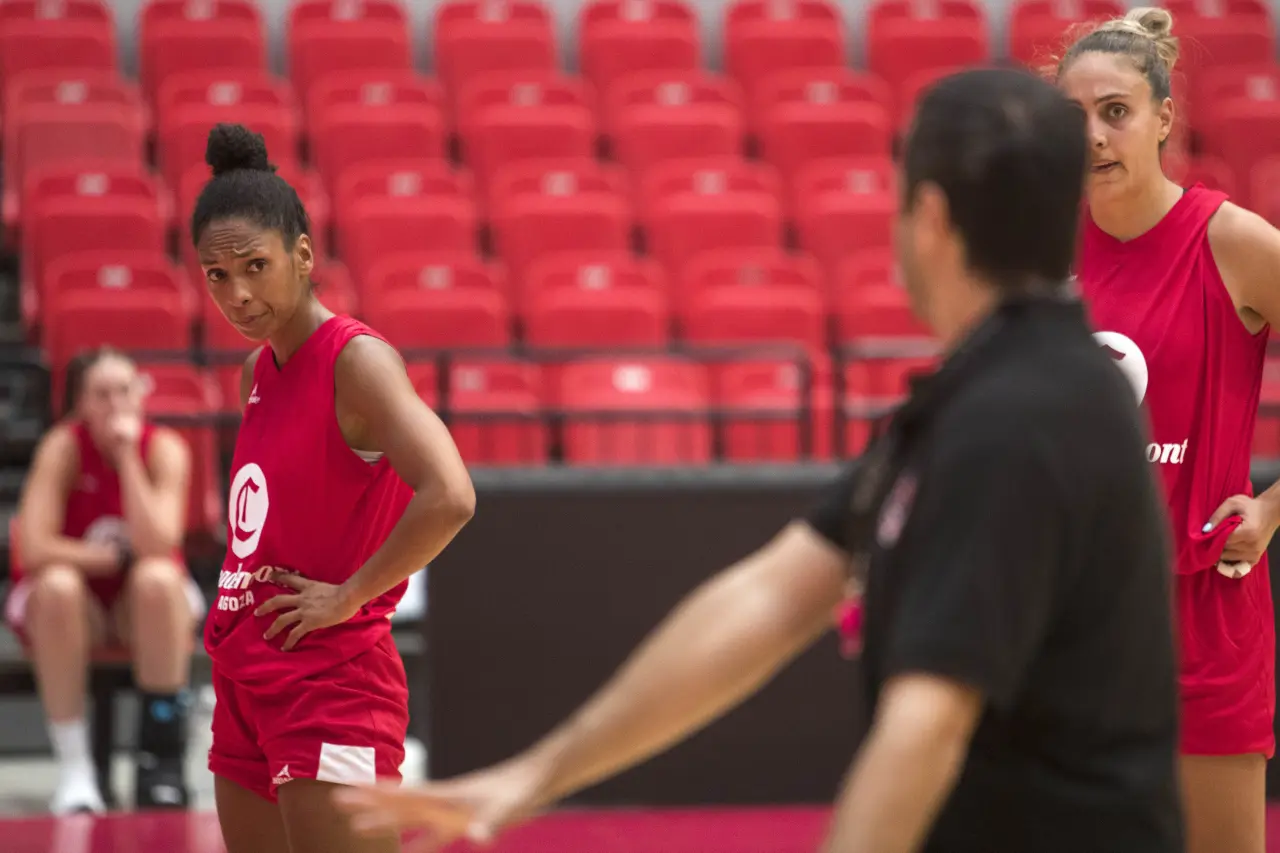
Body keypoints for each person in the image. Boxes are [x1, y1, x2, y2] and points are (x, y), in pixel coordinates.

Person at [334, 68, 1185, 853]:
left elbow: (928, 722)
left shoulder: (1021, 417)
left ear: (929, 217)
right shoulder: (980, 390)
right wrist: (534, 777)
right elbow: (774, 595)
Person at [193, 122, 475, 853]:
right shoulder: (256, 372)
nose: (237, 293)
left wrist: (350, 594)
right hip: (246, 675)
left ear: (303, 255)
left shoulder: (357, 361)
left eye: (255, 266)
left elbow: (451, 494)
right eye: (217, 275)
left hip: (331, 679)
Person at [1059, 10, 1280, 853]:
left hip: (1205, 610)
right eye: (1074, 116)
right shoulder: (1041, 255)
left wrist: (1272, 508)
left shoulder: (1233, 242)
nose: (1094, 135)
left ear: (1163, 118)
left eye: (1115, 111)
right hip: (1077, 609)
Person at [9, 347, 201, 814]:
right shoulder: (61, 448)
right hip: (78, 608)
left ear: (141, 396)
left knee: (158, 579)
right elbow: (34, 548)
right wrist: (109, 558)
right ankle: (75, 769)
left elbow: (159, 544)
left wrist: (128, 458)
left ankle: (161, 762)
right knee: (57, 586)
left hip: (143, 606)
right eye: (102, 394)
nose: (116, 404)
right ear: (80, 403)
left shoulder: (165, 449)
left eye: (125, 391)